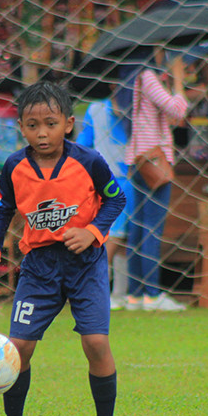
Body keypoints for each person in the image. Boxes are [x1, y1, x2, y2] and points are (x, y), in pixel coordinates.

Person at [0, 81, 127, 416]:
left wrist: (92, 231)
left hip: (84, 264)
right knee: (18, 348)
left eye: (51, 123)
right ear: (21, 127)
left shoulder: (89, 161)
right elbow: (1, 210)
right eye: (32, 124)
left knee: (95, 342)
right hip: (38, 267)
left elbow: (115, 202)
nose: (42, 132)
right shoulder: (14, 167)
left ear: (68, 123)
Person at [121, 49, 190, 311]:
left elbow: (168, 114)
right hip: (155, 160)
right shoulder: (148, 76)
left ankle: (135, 295)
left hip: (138, 159)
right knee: (152, 227)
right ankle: (153, 295)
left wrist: (171, 83)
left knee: (138, 227)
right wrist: (179, 80)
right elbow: (177, 110)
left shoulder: (132, 79)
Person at [76, 89, 135, 310]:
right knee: (115, 237)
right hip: (121, 177)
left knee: (122, 239)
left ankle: (118, 293)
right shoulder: (126, 106)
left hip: (102, 179)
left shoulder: (94, 108)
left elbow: (84, 141)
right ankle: (96, 291)